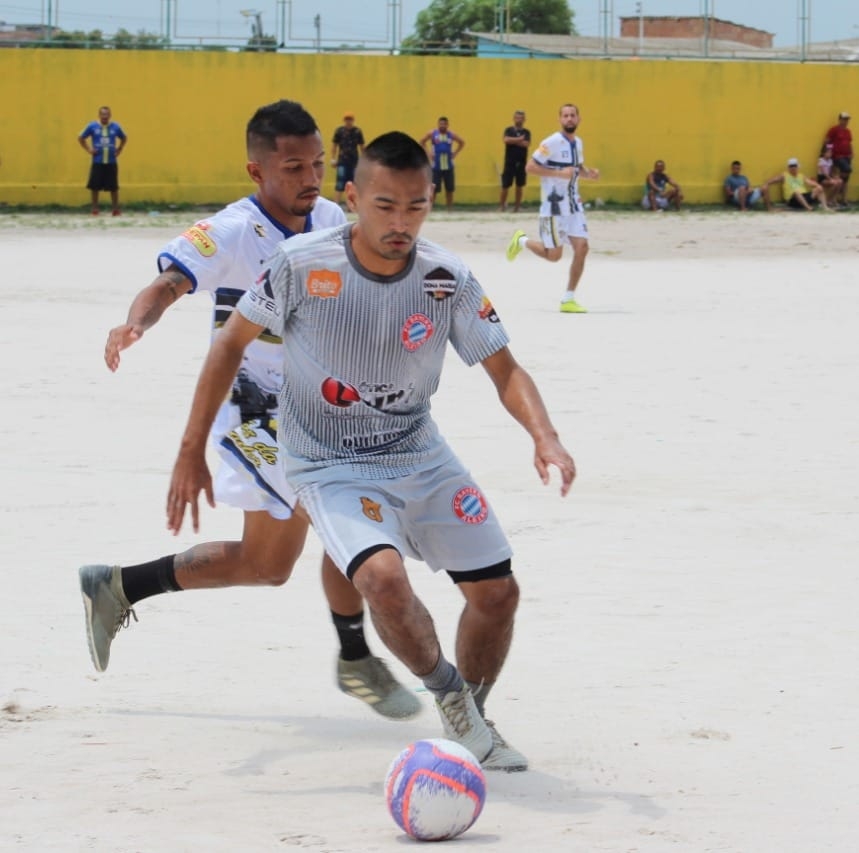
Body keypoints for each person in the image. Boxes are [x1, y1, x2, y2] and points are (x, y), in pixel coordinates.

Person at [165, 131, 576, 771]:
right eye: (385, 206)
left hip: (418, 451)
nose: (401, 223)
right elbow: (229, 344)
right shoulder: (302, 263)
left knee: (498, 596)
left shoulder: (447, 278)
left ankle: (474, 708)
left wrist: (544, 436)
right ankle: (453, 702)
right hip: (324, 462)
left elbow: (505, 370)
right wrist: (191, 449)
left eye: (416, 207)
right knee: (381, 578)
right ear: (353, 197)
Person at [78, 100, 419, 722]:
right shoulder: (233, 232)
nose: (310, 178)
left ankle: (118, 585)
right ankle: (355, 657)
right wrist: (135, 323)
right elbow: (166, 285)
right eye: (293, 166)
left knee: (267, 566)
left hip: (319, 405)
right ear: (257, 170)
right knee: (343, 509)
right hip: (254, 411)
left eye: (317, 163)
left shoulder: (329, 218)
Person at [505, 103, 600, 315]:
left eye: (573, 115)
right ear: (559, 119)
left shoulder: (578, 143)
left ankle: (568, 298)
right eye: (565, 116)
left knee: (582, 248)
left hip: (574, 206)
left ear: (579, 119)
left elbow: (576, 169)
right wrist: (559, 173)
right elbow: (531, 167)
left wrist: (588, 173)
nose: (569, 119)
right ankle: (521, 240)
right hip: (554, 208)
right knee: (554, 256)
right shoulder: (551, 142)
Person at [78, 105, 127, 216]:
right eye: (102, 114)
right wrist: (89, 149)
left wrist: (119, 149)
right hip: (97, 161)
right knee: (95, 186)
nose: (104, 116)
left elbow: (124, 138)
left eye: (106, 114)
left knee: (113, 187)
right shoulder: (92, 126)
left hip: (111, 161)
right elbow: (81, 138)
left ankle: (115, 209)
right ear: (99, 115)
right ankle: (95, 209)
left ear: (110, 115)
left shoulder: (115, 127)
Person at [420, 117, 465, 211]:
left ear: (447, 125)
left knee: (449, 189)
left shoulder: (451, 135)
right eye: (441, 124)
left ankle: (450, 208)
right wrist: (429, 153)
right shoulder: (433, 134)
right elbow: (422, 141)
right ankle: (430, 208)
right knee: (434, 189)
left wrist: (455, 153)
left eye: (444, 124)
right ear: (438, 124)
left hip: (448, 166)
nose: (442, 126)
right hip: (436, 166)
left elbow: (462, 142)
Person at [762, 158, 829, 211]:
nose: (793, 168)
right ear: (788, 167)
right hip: (792, 199)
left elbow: (810, 183)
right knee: (796, 192)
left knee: (819, 188)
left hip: (804, 196)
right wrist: (766, 183)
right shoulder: (784, 175)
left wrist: (818, 185)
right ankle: (808, 208)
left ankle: (825, 207)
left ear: (798, 167)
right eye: (791, 166)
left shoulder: (801, 176)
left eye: (794, 166)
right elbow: (773, 180)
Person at [331, 112, 365, 206]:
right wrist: (333, 159)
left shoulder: (357, 132)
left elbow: (362, 146)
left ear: (353, 121)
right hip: (342, 161)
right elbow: (334, 145)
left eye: (350, 119)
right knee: (340, 183)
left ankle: (351, 205)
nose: (348, 122)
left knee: (353, 185)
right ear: (344, 121)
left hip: (354, 162)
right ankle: (336, 205)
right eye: (346, 119)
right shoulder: (339, 131)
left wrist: (365, 160)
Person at [499, 110, 531, 212]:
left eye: (521, 118)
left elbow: (526, 144)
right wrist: (519, 139)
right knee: (505, 185)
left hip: (521, 162)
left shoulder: (526, 132)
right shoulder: (508, 130)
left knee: (519, 185)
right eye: (517, 118)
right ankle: (502, 206)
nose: (519, 120)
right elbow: (506, 140)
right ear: (514, 118)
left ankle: (517, 208)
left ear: (524, 120)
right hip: (509, 162)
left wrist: (513, 141)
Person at [824, 111, 852, 207]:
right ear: (839, 119)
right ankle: (837, 194)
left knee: (846, 178)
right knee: (847, 170)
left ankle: (844, 199)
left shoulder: (848, 131)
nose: (845, 121)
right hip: (837, 156)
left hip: (847, 156)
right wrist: (828, 153)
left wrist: (851, 152)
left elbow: (849, 143)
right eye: (844, 119)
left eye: (847, 119)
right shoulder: (834, 130)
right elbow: (827, 141)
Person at [817, 143, 843, 208]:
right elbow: (824, 172)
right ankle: (826, 201)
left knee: (840, 181)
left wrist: (835, 176)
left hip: (828, 176)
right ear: (823, 153)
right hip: (822, 178)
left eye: (831, 153)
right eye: (828, 152)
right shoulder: (821, 160)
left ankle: (833, 199)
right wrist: (830, 179)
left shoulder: (830, 161)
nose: (830, 154)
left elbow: (830, 171)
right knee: (834, 183)